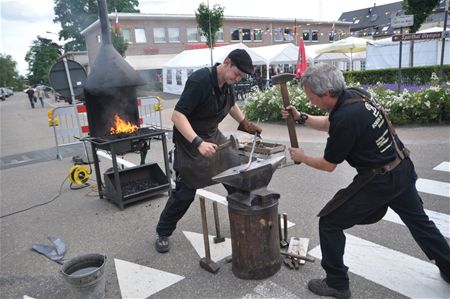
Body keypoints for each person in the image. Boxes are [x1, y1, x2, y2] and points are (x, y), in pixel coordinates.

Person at [281, 64, 450, 299]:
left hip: (380, 180)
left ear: (327, 94)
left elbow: (329, 165)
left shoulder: (345, 118)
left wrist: (303, 157)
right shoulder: (354, 95)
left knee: (329, 222)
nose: (309, 101)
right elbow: (332, 123)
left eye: (311, 97)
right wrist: (302, 118)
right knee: (420, 222)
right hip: (401, 165)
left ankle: (337, 283)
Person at [155, 49, 262, 253]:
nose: (238, 79)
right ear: (227, 62)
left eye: (242, 77)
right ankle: (163, 232)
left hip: (213, 136)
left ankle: (243, 221)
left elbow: (231, 106)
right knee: (185, 192)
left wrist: (245, 123)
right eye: (237, 74)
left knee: (236, 177)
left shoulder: (226, 83)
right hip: (190, 142)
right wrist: (198, 143)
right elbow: (177, 116)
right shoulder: (200, 81)